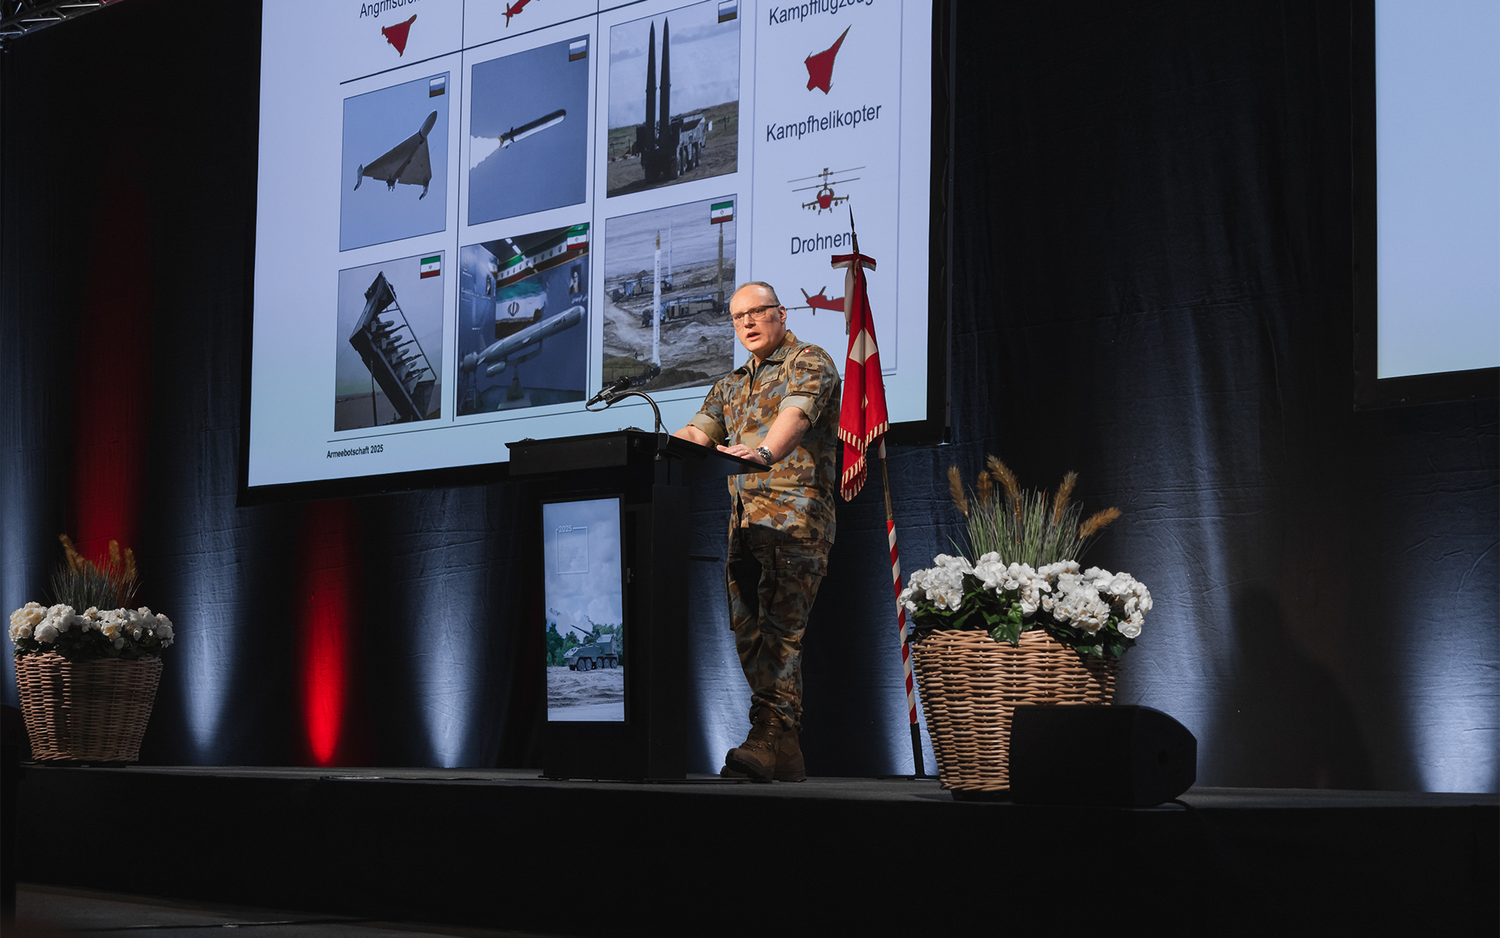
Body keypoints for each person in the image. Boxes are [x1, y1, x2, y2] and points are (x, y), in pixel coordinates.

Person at [673, 281, 841, 782]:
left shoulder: (809, 361)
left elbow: (794, 414)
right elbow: (696, 434)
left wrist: (765, 453)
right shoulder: (730, 384)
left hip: (795, 523)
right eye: (738, 316)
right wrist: (648, 448)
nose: (747, 322)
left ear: (781, 314)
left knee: (781, 636)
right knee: (749, 636)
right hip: (744, 526)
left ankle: (768, 735)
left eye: (757, 312)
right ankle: (783, 750)